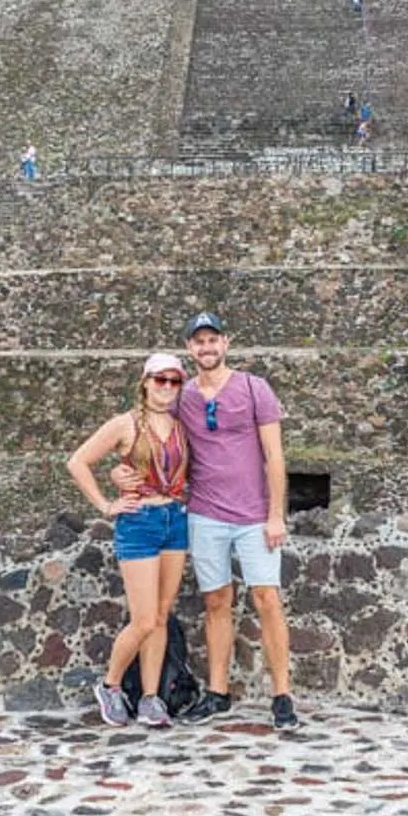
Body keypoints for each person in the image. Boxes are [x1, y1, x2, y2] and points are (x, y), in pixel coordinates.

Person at [115, 313, 298, 731]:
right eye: (199, 342)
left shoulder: (254, 389)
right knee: (216, 602)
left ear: (226, 343)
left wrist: (276, 515)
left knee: (267, 599)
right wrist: (117, 472)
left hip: (254, 516)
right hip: (204, 514)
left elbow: (275, 455)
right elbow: (145, 433)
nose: (207, 348)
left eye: (213, 340)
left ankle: (282, 694)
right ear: (189, 348)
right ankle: (218, 692)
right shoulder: (183, 396)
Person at [68, 354, 191, 728]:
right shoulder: (125, 424)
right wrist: (106, 505)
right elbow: (78, 462)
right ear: (145, 382)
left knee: (161, 615)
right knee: (143, 619)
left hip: (175, 519)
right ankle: (110, 684)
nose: (166, 387)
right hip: (139, 522)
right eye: (159, 379)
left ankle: (151, 698)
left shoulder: (182, 424)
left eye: (174, 381)